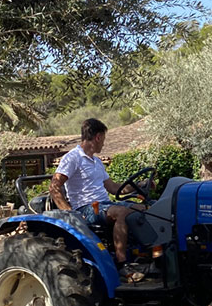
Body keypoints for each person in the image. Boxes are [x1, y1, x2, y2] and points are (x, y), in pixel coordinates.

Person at [50, 118, 146, 276]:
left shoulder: (97, 162)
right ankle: (123, 264)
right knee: (121, 212)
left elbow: (115, 188)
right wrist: (70, 213)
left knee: (145, 209)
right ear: (98, 137)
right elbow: (54, 187)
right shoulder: (72, 158)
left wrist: (139, 185)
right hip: (87, 209)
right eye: (104, 140)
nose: (103, 144)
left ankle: (146, 256)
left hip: (104, 205)